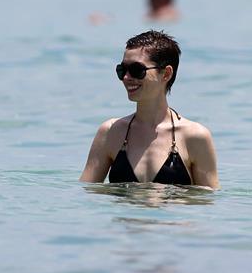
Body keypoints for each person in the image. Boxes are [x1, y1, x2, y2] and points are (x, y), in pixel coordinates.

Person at [80, 30, 219, 189]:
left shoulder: (195, 137)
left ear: (166, 74)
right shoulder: (111, 132)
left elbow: (207, 203)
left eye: (136, 70)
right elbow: (86, 194)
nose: (126, 77)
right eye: (122, 70)